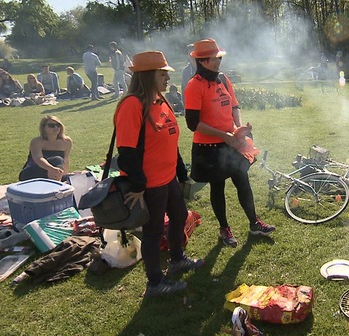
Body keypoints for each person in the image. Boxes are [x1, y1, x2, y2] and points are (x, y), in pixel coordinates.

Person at [114, 50, 204, 297]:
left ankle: (177, 260)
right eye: (162, 73)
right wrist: (139, 185)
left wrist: (181, 173)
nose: (167, 78)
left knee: (179, 216)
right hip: (149, 184)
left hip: (168, 178)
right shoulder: (132, 105)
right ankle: (154, 282)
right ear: (147, 75)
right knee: (153, 231)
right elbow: (126, 151)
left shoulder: (161, 101)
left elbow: (170, 141)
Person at [184, 38, 276, 248]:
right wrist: (222, 134)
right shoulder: (193, 86)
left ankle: (254, 223)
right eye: (214, 59)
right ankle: (224, 229)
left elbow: (234, 105)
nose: (218, 62)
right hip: (208, 147)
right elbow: (193, 123)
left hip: (231, 142)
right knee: (218, 186)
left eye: (219, 58)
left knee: (242, 179)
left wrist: (238, 127)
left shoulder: (223, 79)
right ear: (202, 61)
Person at [19, 116, 72, 181]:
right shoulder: (37, 141)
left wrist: (63, 174)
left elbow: (66, 160)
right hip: (30, 173)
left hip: (52, 173)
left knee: (73, 177)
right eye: (51, 125)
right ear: (44, 128)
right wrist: (51, 169)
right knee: (57, 159)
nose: (55, 127)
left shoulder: (66, 141)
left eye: (58, 125)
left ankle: (58, 180)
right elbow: (38, 158)